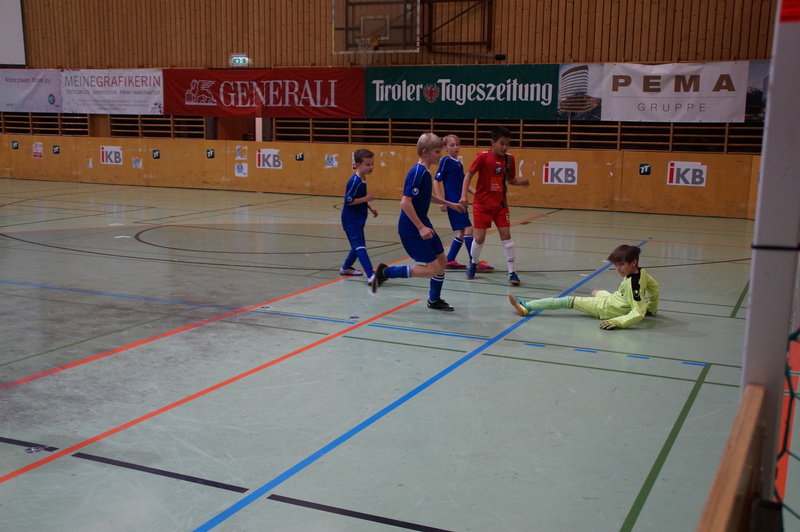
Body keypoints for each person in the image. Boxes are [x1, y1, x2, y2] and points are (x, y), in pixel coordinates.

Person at [374, 133, 466, 310]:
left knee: (442, 261)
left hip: (423, 223)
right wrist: (421, 227)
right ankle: (386, 272)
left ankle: (434, 300)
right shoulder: (418, 172)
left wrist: (450, 204)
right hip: (412, 227)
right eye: (437, 152)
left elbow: (426, 196)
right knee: (433, 269)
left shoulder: (425, 172)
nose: (440, 155)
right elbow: (405, 202)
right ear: (425, 152)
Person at [508, 245, 660, 330]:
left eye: (621, 264)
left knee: (568, 301)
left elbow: (638, 312)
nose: (618, 269)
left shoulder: (633, 285)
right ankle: (598, 294)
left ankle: (526, 307)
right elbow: (654, 288)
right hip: (616, 300)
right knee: (598, 292)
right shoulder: (642, 273)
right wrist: (651, 308)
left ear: (633, 262)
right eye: (616, 265)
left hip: (607, 308)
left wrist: (617, 322)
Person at [460, 125, 529, 285]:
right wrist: (464, 195)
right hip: (482, 204)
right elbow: (468, 176)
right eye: (502, 143)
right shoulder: (482, 156)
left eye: (508, 144)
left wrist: (520, 183)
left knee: (506, 237)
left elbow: (510, 180)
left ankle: (512, 272)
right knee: (479, 238)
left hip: (500, 205)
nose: (505, 147)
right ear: (493, 142)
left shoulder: (509, 159)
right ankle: (473, 263)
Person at [432, 134, 494, 273]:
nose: (456, 147)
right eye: (452, 145)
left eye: (457, 144)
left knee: (462, 232)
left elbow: (463, 184)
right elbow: (436, 180)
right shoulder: (445, 161)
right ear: (445, 148)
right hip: (453, 202)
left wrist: (477, 193)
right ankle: (474, 262)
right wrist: (441, 202)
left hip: (460, 202)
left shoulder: (458, 163)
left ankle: (450, 259)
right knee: (469, 228)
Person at [340, 148, 379, 288]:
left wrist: (369, 205)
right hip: (351, 220)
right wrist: (367, 198)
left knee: (356, 246)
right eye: (368, 164)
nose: (371, 167)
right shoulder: (355, 181)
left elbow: (358, 197)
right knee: (360, 246)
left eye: (372, 164)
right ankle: (371, 275)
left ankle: (345, 268)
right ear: (358, 165)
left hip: (358, 218)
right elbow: (349, 200)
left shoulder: (362, 179)